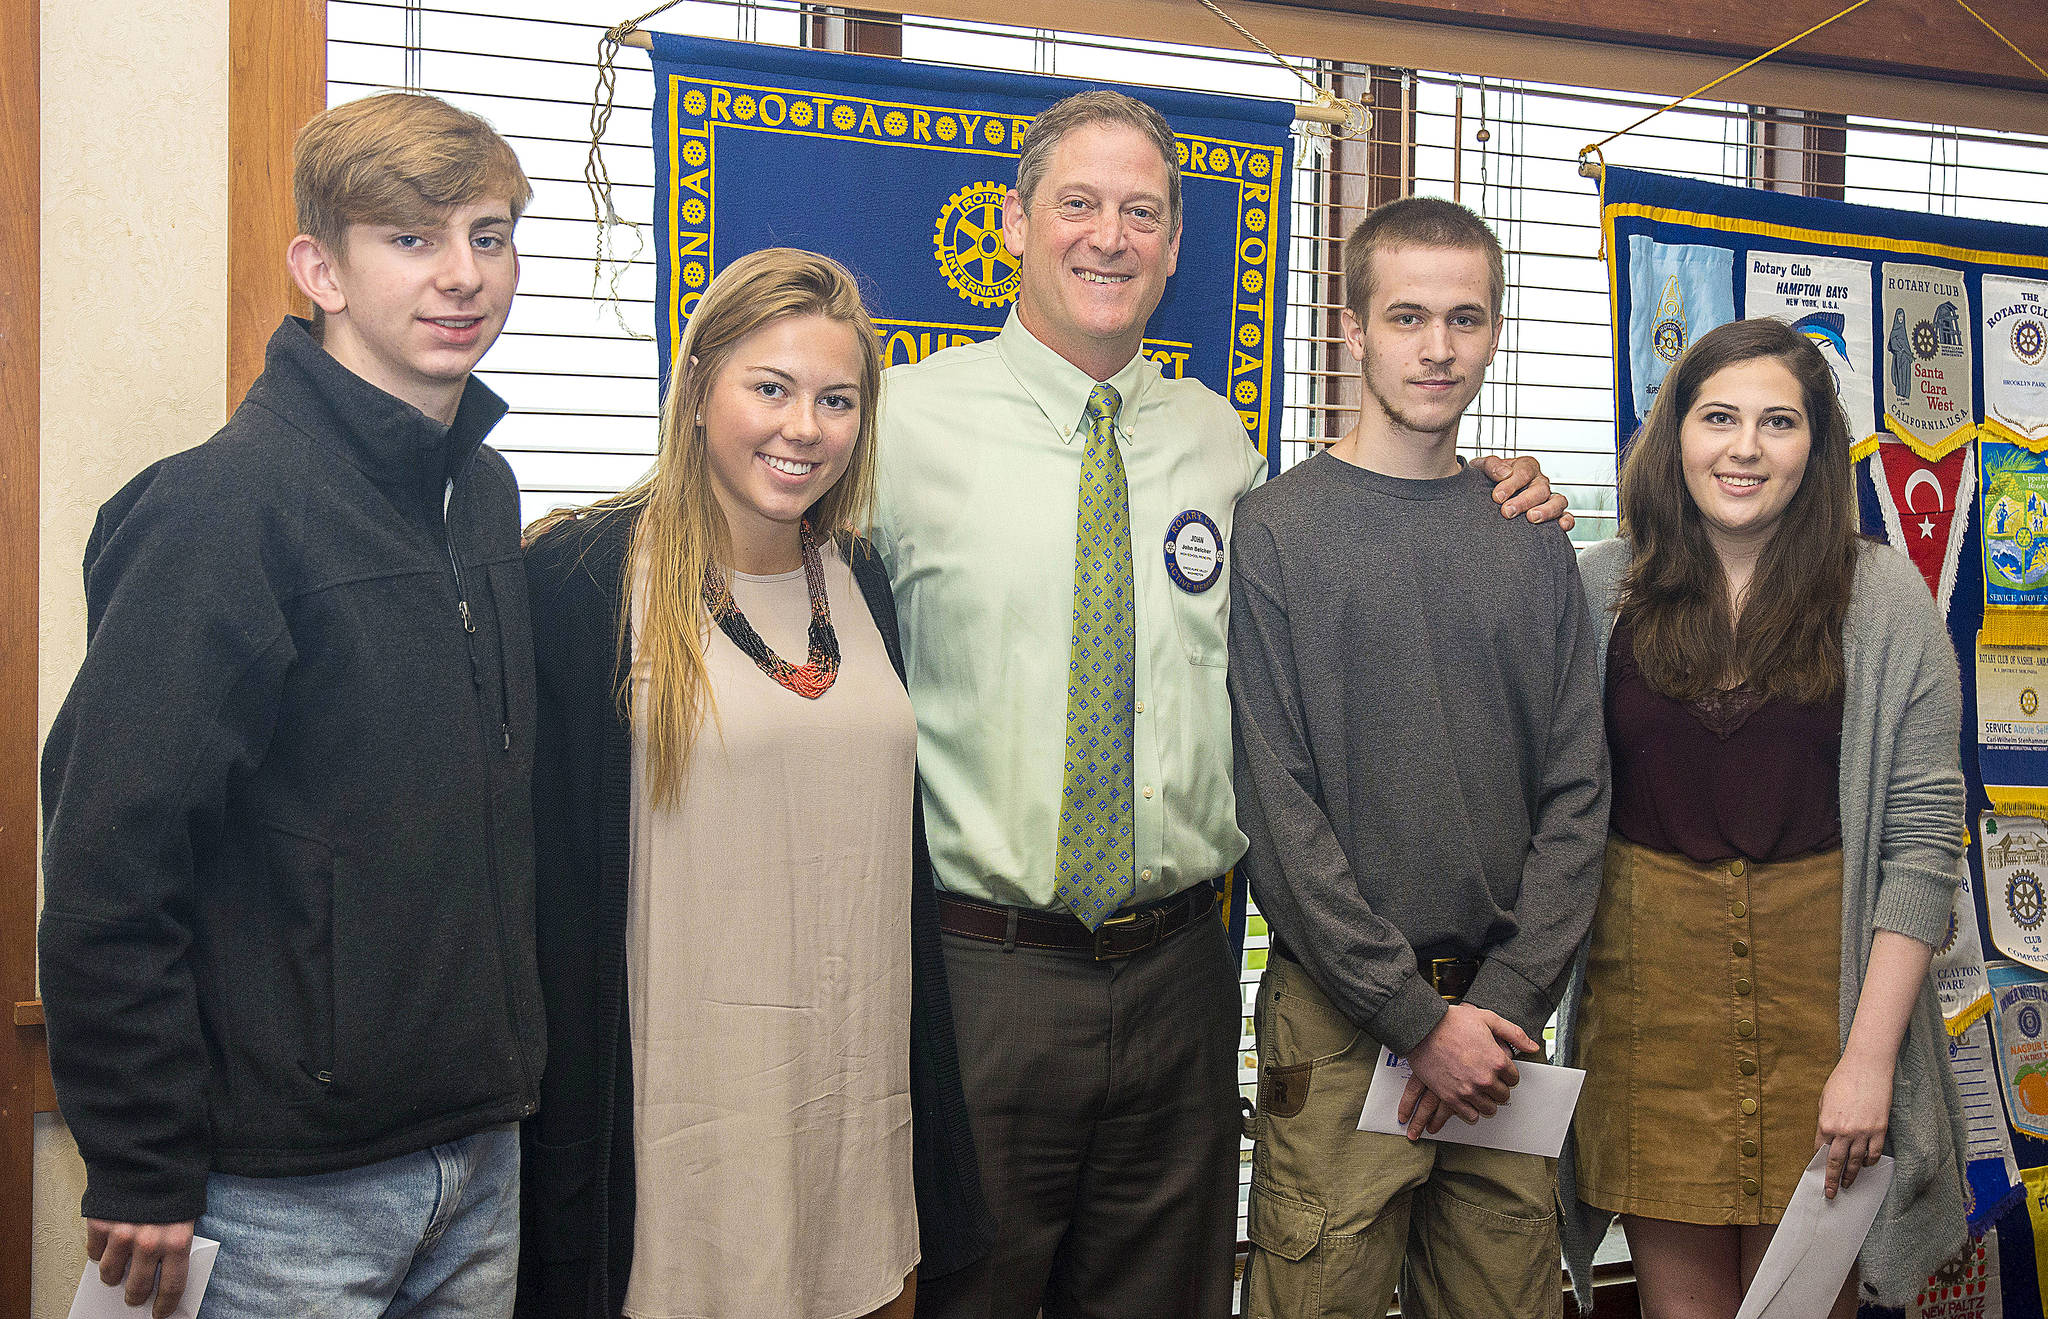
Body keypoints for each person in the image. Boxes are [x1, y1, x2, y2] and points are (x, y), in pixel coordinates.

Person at [872, 92, 1571, 1319]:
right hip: (984, 971)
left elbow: (1378, 523)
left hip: (1182, 972)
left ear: (1177, 246)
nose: (1109, 235)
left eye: (1141, 211)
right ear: (1013, 222)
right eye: (1077, 204)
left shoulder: (1218, 449)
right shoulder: (896, 423)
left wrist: (1509, 480)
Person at [39, 92, 541, 1319]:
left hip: (479, 1161)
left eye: (487, 234)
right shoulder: (222, 508)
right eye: (412, 240)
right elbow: (111, 857)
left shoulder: (481, 492)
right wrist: (144, 1160)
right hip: (274, 1195)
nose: (462, 275)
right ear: (320, 266)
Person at [517, 248, 992, 1319]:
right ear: (695, 393)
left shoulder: (862, 578)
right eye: (768, 388)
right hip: (669, 1171)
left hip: (852, 1150)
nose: (803, 426)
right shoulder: (581, 577)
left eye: (834, 399)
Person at [1229, 196, 1610, 1319]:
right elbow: (1277, 812)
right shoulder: (1272, 531)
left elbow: (1578, 794)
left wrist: (1496, 1004)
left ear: (1493, 331)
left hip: (1499, 1023)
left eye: (1464, 318)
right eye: (1405, 317)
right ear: (1352, 332)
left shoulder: (1531, 538)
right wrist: (1411, 1019)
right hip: (1341, 1023)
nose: (1436, 348)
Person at [1558, 316, 1972, 1317]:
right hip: (1651, 1018)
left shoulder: (1882, 601)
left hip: (1823, 1014)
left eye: (1776, 421)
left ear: (1813, 447)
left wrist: (1866, 1061)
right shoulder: (1592, 588)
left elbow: (1919, 848)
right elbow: (1546, 812)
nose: (1743, 446)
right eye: (1718, 417)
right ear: (1675, 433)